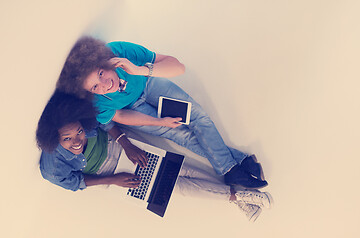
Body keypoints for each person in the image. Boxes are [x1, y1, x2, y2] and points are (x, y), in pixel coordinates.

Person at [56, 36, 268, 189]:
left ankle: (230, 169)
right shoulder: (95, 101)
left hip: (149, 84)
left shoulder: (119, 51)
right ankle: (237, 162)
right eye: (94, 87)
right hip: (134, 110)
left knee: (198, 117)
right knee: (181, 135)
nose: (103, 85)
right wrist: (159, 122)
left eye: (101, 74)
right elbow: (119, 117)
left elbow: (178, 67)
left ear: (106, 61)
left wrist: (138, 69)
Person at [36, 91, 273, 221]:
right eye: (67, 139)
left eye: (79, 132)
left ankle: (241, 196)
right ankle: (238, 196)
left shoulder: (84, 118)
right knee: (176, 188)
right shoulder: (51, 167)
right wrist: (113, 179)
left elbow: (106, 123)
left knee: (179, 168)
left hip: (124, 149)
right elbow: (77, 182)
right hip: (111, 175)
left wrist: (126, 144)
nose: (77, 141)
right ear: (53, 138)